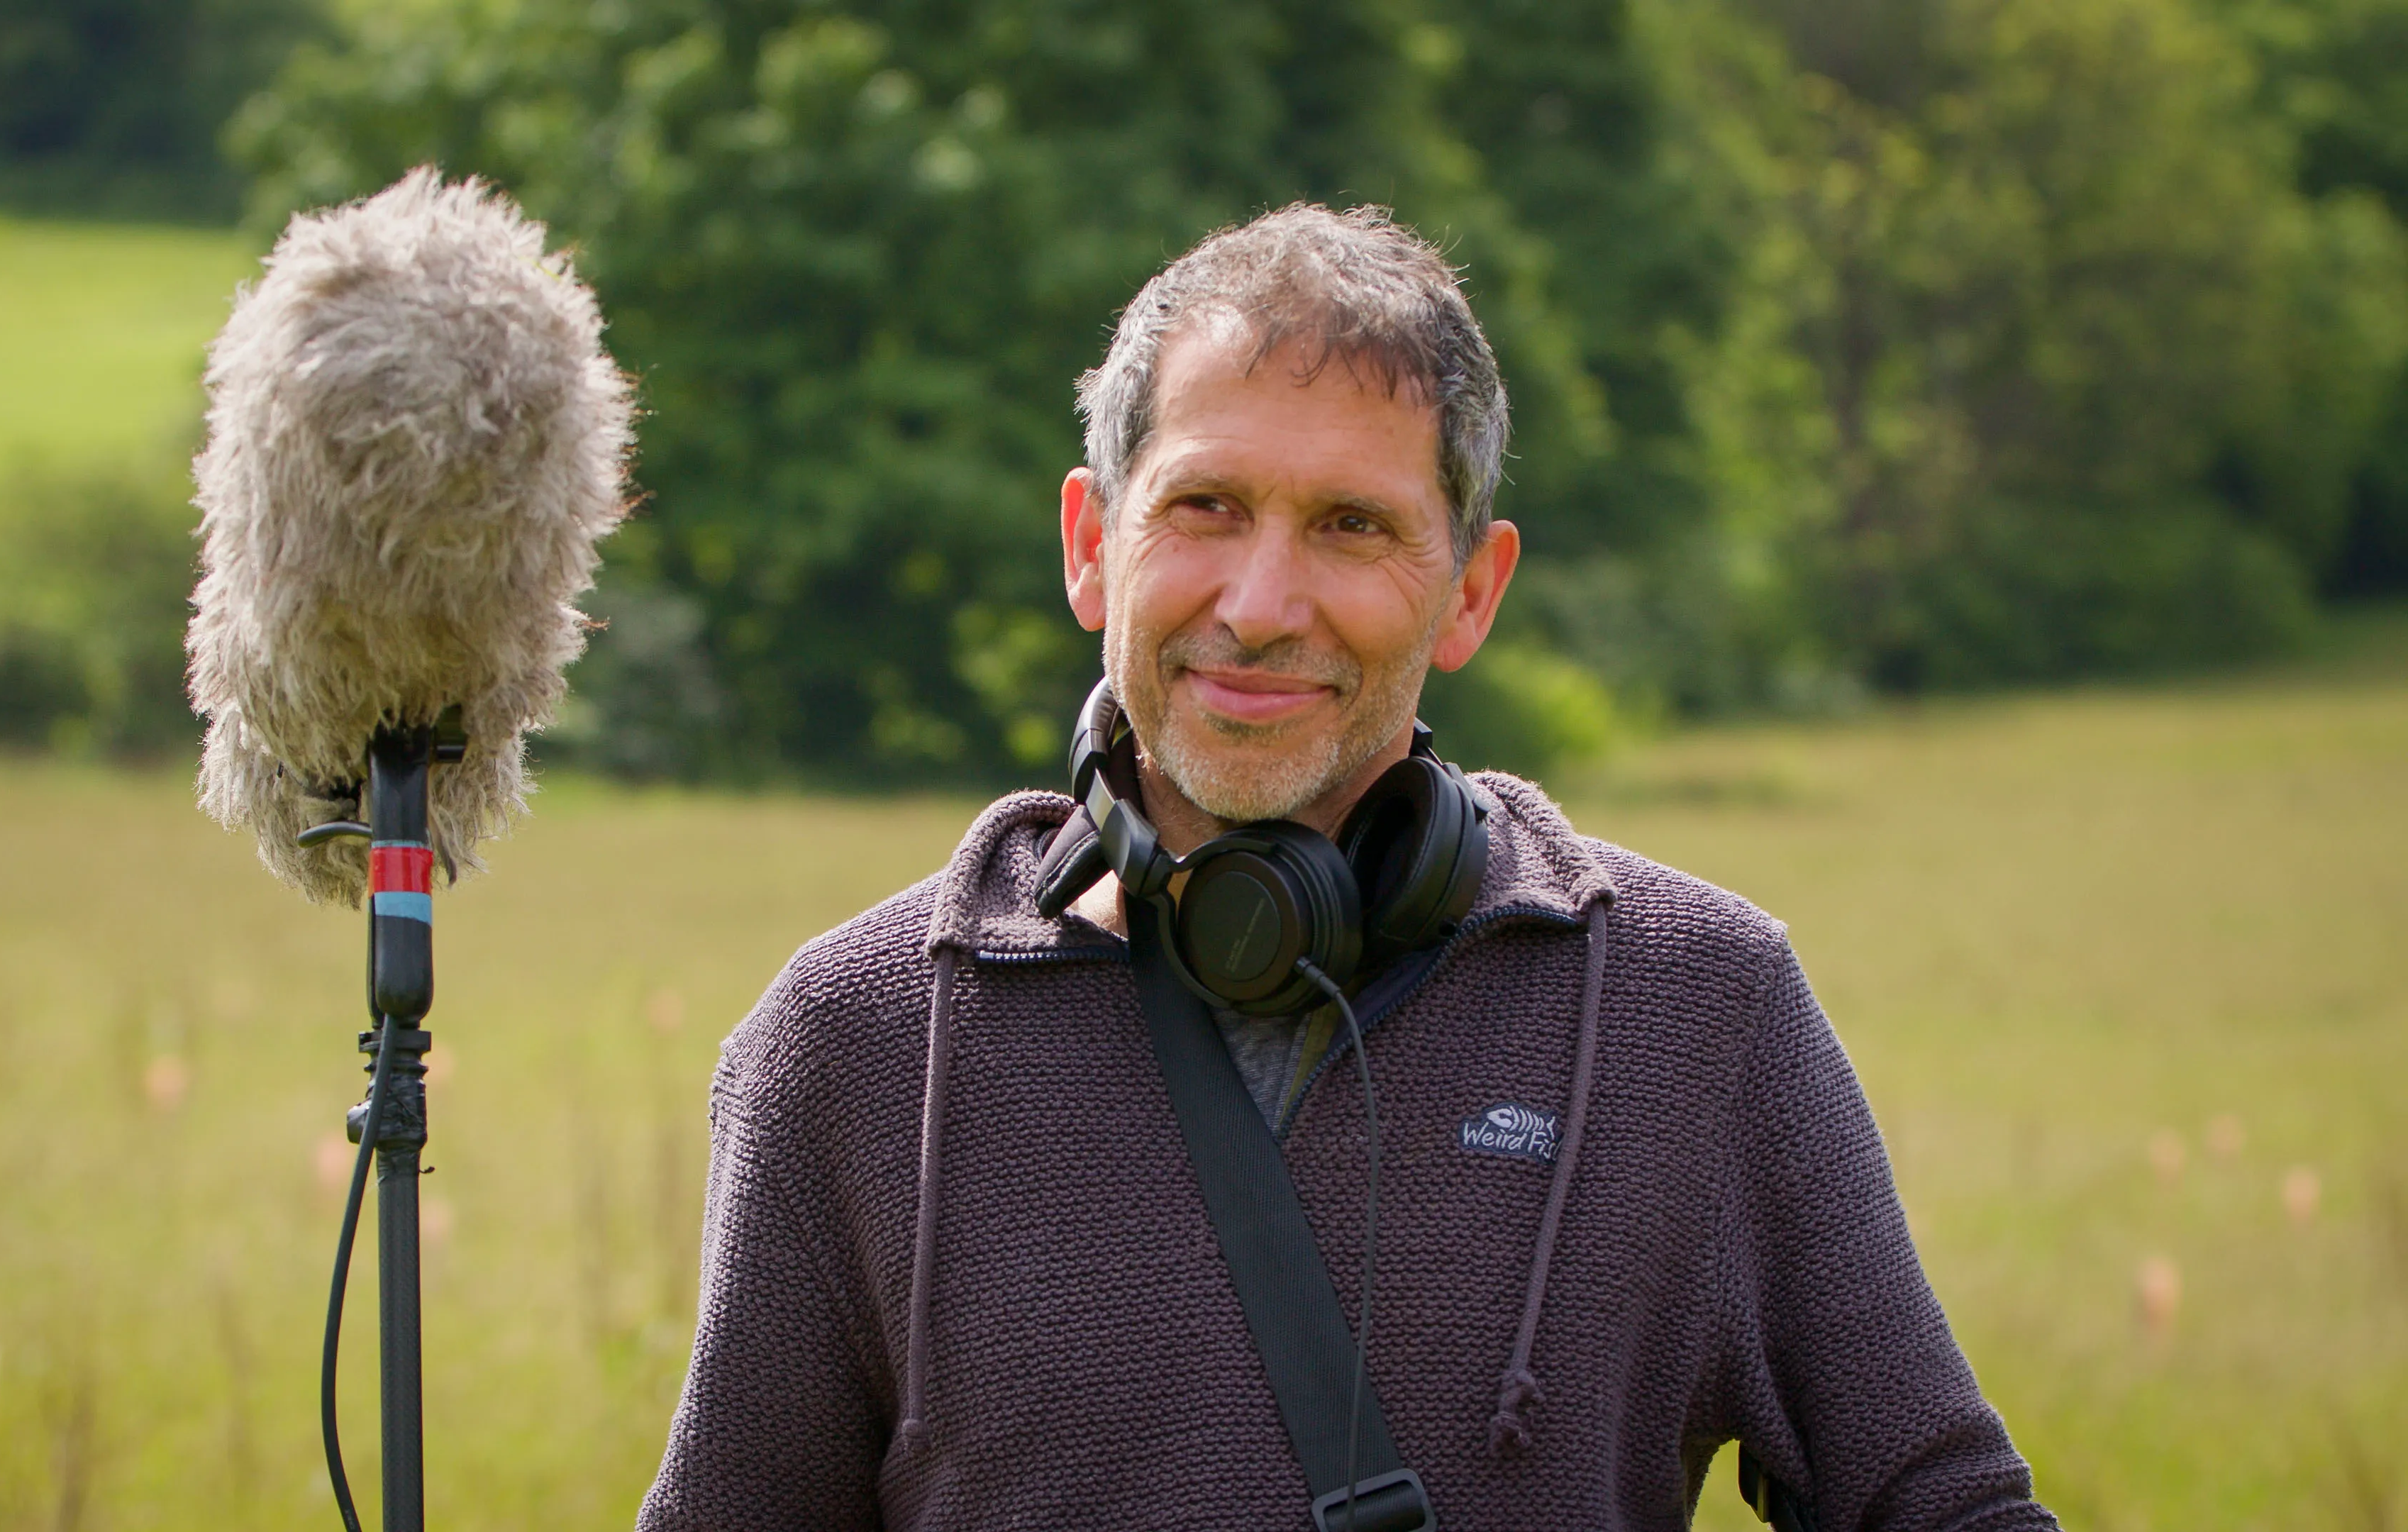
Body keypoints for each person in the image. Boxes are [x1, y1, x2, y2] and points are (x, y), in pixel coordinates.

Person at [637, 204, 2055, 1529]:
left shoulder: (1696, 1006)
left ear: (1471, 592)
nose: (1262, 607)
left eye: (1351, 527)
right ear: (1091, 545)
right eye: (1205, 507)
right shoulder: (856, 1044)